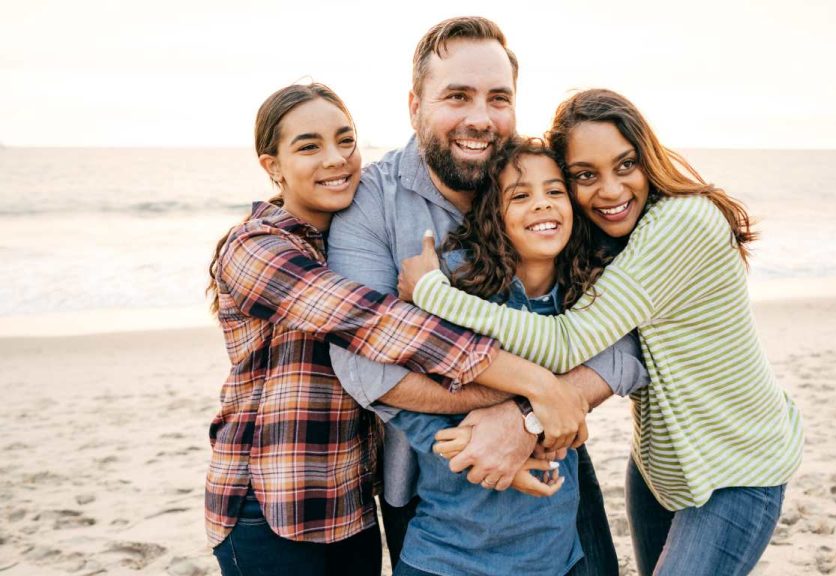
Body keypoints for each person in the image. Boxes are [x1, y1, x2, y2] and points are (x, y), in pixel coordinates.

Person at [399, 89, 805, 576]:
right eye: (585, 176)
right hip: (661, 469)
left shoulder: (681, 222)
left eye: (625, 165)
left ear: (647, 157)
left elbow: (568, 342)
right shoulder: (615, 238)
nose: (609, 191)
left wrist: (432, 292)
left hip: (738, 465)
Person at [204, 82, 588, 576]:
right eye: (309, 146)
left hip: (352, 503)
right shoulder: (255, 249)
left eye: (346, 140)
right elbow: (377, 324)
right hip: (272, 505)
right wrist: (537, 388)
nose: (336, 159)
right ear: (271, 166)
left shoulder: (343, 237)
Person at [327, 18, 646, 575]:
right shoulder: (371, 204)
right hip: (435, 491)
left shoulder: (551, 188)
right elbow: (363, 366)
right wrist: (527, 399)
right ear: (414, 105)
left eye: (499, 98)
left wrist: (525, 419)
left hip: (554, 465)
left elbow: (627, 341)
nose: (480, 117)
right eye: (457, 96)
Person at [390, 137, 647, 576]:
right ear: (493, 212)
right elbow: (401, 383)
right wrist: (462, 445)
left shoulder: (590, 296)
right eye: (521, 196)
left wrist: (532, 419)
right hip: (449, 548)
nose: (542, 205)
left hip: (555, 551)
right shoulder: (456, 282)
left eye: (554, 191)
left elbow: (626, 361)